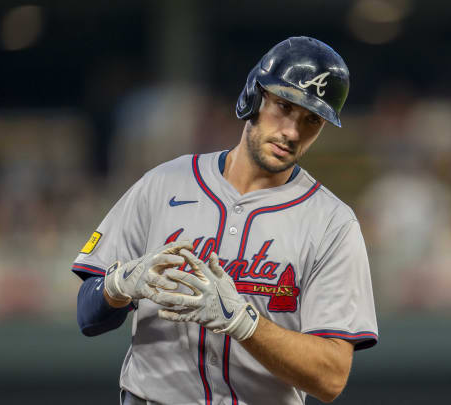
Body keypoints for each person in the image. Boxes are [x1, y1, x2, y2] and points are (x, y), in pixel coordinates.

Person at [72, 36, 378, 405]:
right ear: (253, 94)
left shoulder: (332, 223)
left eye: (311, 119)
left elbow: (330, 378)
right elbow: (89, 316)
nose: (292, 132)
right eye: (284, 105)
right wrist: (120, 285)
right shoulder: (163, 183)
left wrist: (244, 323)